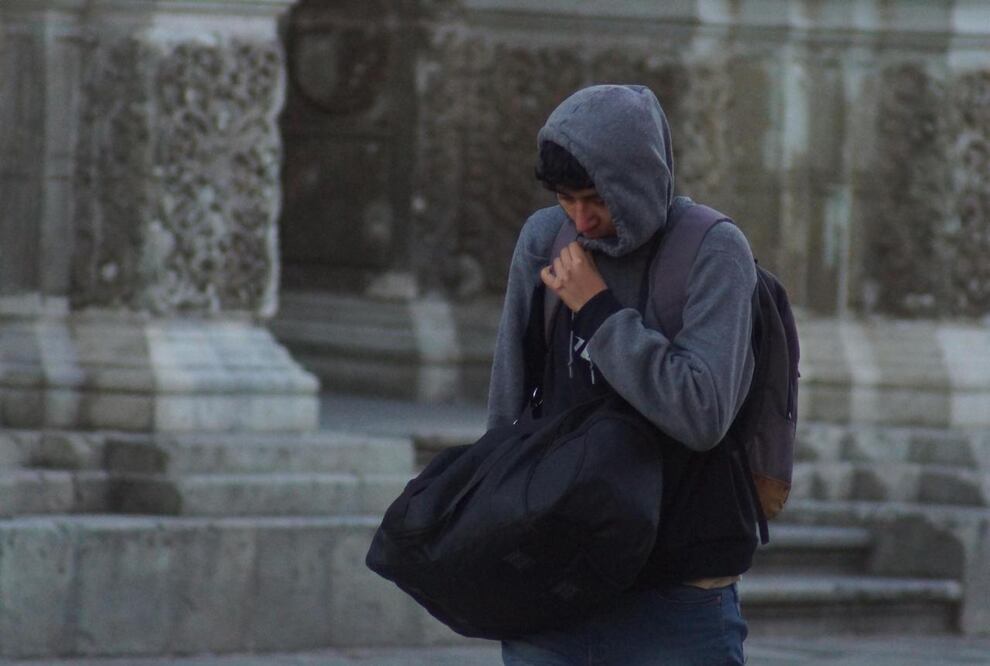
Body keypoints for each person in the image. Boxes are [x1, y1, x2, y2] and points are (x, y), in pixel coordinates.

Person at [487, 84, 759, 665]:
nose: (582, 220)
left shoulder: (714, 251)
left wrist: (598, 311)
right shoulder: (543, 240)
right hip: (552, 588)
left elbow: (702, 412)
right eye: (566, 199)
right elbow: (508, 407)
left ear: (636, 180)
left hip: (676, 597)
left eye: (596, 199)